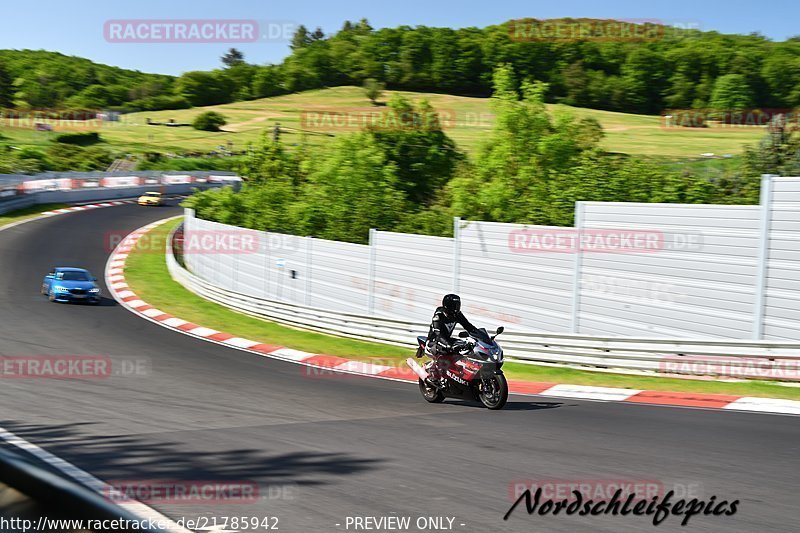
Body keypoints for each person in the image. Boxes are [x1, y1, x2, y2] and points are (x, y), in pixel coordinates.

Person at [426, 294, 479, 385]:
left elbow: (469, 327)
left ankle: (462, 374)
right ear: (448, 305)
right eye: (455, 305)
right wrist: (448, 345)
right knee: (445, 351)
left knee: (465, 346)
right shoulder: (438, 316)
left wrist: (481, 336)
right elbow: (438, 335)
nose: (457, 307)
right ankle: (438, 376)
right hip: (434, 341)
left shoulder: (457, 314)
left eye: (458, 305)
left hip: (447, 339)